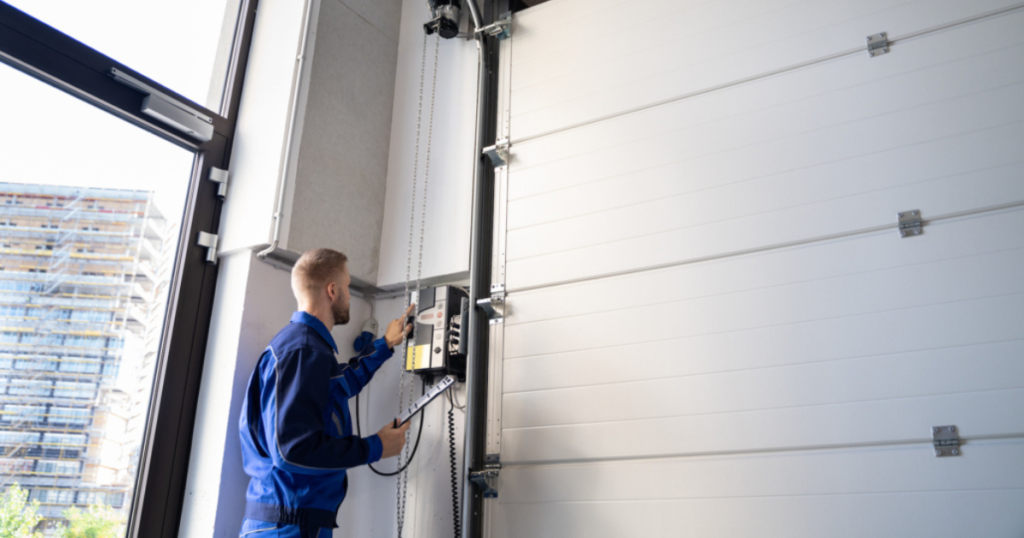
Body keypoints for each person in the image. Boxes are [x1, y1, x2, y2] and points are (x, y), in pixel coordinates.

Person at [238, 248, 415, 537]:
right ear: (333, 290)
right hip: (289, 526)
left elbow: (338, 388)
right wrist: (376, 447)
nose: (348, 296)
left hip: (296, 521)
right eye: (346, 287)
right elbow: (292, 452)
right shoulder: (303, 351)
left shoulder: (305, 348)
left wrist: (385, 345)